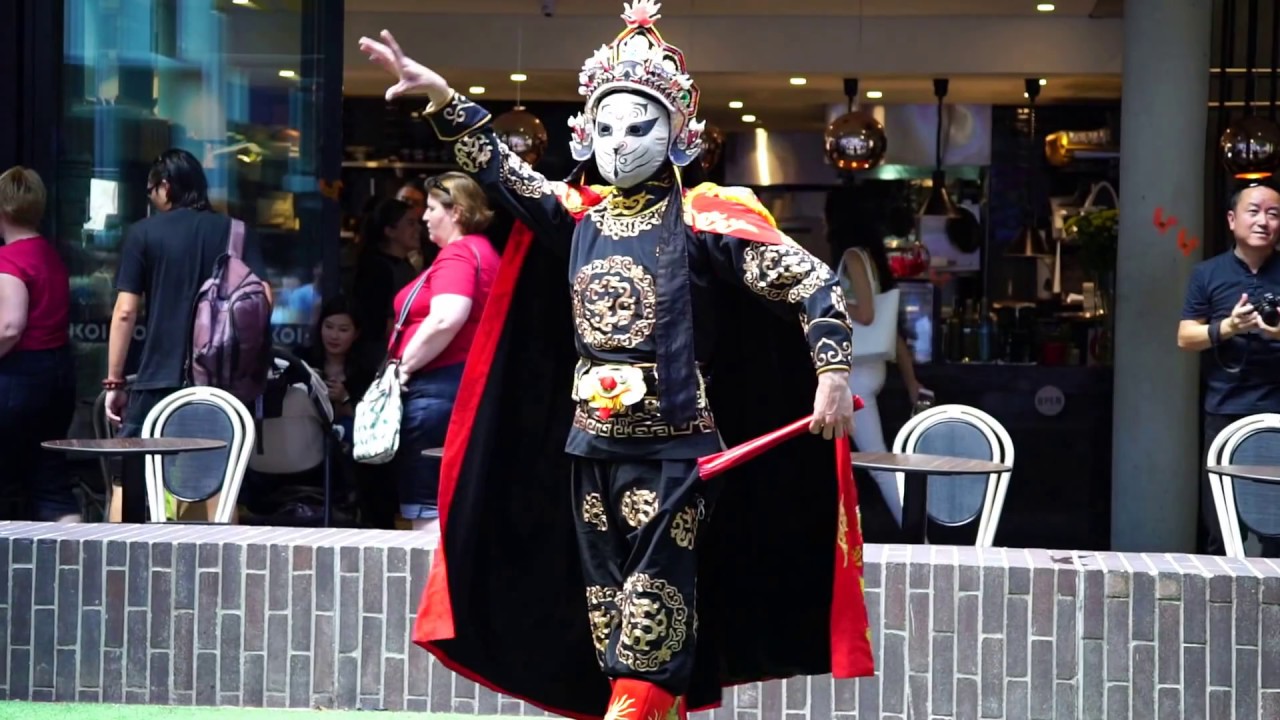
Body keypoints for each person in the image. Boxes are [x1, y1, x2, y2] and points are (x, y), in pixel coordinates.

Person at [359, 4, 873, 720]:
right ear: (583, 132)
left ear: (678, 136)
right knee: (609, 619)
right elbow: (502, 172)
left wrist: (832, 371)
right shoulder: (577, 215)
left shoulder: (706, 220)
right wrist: (446, 100)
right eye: (604, 128)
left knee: (654, 617)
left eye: (639, 128)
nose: (618, 143)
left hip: (678, 458)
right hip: (589, 447)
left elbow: (813, 281)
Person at [104, 148, 270, 522]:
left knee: (127, 478)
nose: (151, 198)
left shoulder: (143, 233)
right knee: (218, 483)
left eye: (151, 191)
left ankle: (114, 571)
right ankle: (218, 572)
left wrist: (114, 381)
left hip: (157, 377)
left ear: (165, 187)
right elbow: (264, 298)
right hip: (220, 382)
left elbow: (126, 311)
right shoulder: (235, 231)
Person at [386, 172, 499, 536]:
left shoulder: (460, 254)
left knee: (428, 506)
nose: (424, 217)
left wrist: (402, 369)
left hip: (439, 391)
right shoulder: (481, 252)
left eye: (432, 208)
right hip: (460, 386)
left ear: (458, 212)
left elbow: (445, 318)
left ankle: (430, 589)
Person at [1178, 179, 1280, 557]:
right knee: (1221, 525)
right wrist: (1228, 328)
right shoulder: (1207, 273)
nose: (1263, 221)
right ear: (1232, 219)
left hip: (1277, 410)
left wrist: (1275, 334)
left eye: (1273, 214)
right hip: (1224, 409)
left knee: (1278, 523)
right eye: (1253, 211)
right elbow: (1185, 337)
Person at [829, 189, 927, 530]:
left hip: (855, 372)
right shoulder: (870, 259)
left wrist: (831, 298)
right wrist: (912, 382)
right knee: (865, 459)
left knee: (876, 461)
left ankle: (917, 534)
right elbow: (890, 328)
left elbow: (868, 315)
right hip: (870, 370)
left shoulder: (852, 258)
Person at [0, 166, 78, 522]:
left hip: (20, 378)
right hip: (59, 373)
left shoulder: (9, 260)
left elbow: (9, 326)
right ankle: (74, 562)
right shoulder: (51, 255)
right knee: (50, 479)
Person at [351, 198, 420, 365]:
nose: (418, 229)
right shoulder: (376, 268)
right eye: (410, 223)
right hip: (379, 360)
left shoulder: (405, 266)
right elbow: (375, 322)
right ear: (390, 231)